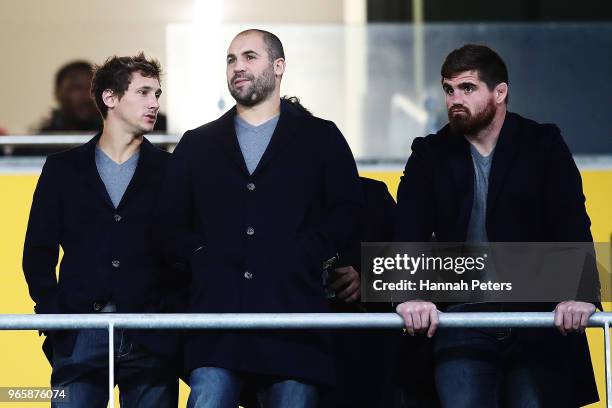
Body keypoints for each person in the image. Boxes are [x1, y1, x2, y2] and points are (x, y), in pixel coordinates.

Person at [157, 29, 362, 407]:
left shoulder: (321, 138)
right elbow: (170, 225)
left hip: (295, 322)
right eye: (231, 59)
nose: (238, 67)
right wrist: (202, 257)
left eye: (250, 57)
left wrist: (311, 255)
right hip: (215, 324)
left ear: (279, 66)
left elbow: (347, 211)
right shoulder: (196, 144)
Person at [394, 44, 599, 407]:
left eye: (467, 88)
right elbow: (408, 228)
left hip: (536, 316)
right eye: (448, 89)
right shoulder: (429, 152)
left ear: (500, 92)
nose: (455, 98)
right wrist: (409, 294)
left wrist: (581, 294)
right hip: (460, 318)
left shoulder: (543, 144)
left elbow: (571, 221)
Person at [23, 53, 179, 407]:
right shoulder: (63, 169)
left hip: (151, 333)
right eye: (143, 92)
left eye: (156, 93)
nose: (154, 103)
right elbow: (37, 252)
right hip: (80, 331)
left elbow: (186, 249)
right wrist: (56, 320)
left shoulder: (171, 170)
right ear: (110, 98)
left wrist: (171, 317)